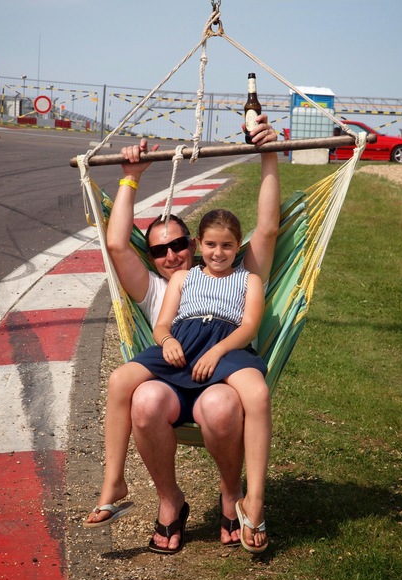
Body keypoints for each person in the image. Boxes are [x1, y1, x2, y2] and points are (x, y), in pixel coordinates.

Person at [85, 115, 280, 552]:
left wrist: (269, 155)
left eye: (179, 245)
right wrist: (130, 179)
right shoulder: (167, 284)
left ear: (193, 244)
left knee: (250, 397)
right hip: (174, 362)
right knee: (125, 385)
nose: (171, 254)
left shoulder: (242, 274)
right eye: (159, 250)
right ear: (151, 255)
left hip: (222, 364)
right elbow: (118, 247)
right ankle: (121, 486)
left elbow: (266, 229)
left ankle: (247, 498)